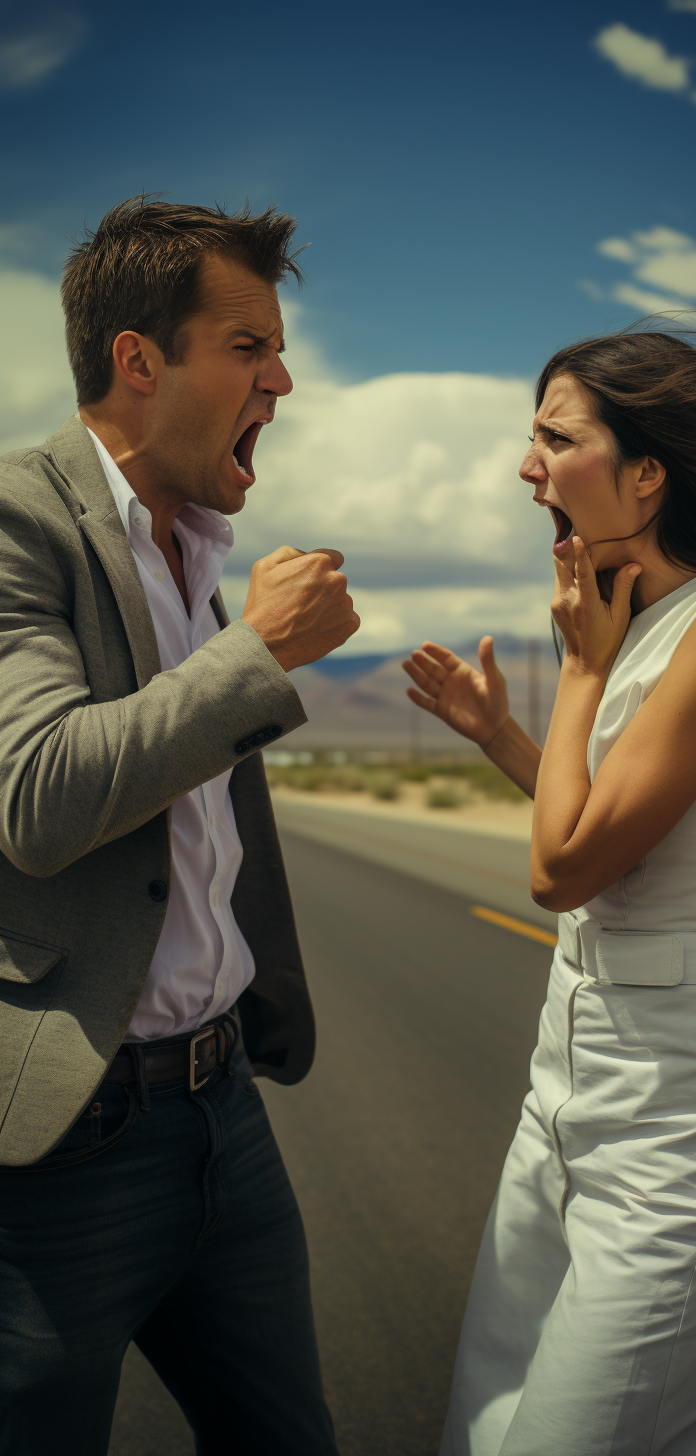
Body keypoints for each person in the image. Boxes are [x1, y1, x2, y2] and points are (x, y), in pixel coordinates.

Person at [403, 330, 696, 1456]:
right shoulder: (644, 627)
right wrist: (501, 734)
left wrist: (581, 672)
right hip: (563, 1103)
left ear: (649, 471)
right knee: (484, 1432)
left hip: (676, 1138)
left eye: (555, 436)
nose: (527, 465)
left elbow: (559, 870)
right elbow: (606, 837)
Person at [0, 197, 359, 1455]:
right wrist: (256, 652)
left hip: (226, 1119)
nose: (286, 378)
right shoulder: (17, 521)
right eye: (250, 347)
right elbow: (37, 797)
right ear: (139, 361)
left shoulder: (200, 548)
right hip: (63, 1155)